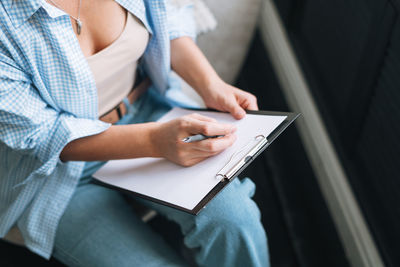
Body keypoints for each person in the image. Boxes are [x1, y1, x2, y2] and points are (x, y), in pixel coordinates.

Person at [0, 0, 269, 266]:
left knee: (235, 220)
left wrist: (210, 84)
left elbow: (168, 17)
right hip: (52, 174)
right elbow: (44, 135)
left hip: (150, 113)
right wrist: (154, 141)